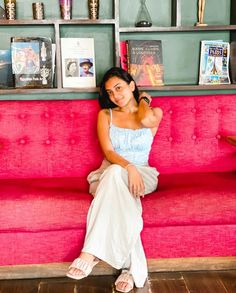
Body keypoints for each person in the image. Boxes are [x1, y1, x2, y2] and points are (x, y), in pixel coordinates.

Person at [67, 67, 163, 292]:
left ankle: (90, 253)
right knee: (117, 182)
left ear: (131, 85)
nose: (115, 95)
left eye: (119, 88)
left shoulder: (153, 112)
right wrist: (128, 167)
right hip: (110, 172)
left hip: (144, 174)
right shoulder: (105, 115)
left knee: (119, 186)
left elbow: (147, 120)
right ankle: (130, 269)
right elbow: (109, 152)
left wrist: (144, 99)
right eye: (109, 92)